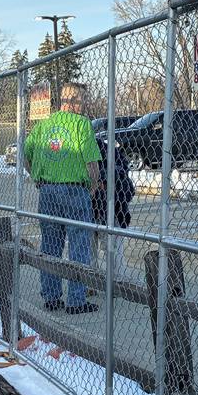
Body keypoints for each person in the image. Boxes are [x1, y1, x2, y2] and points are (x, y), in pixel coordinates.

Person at [22, 86, 102, 313]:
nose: (83, 104)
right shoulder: (81, 124)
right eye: (82, 100)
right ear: (74, 101)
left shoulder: (42, 125)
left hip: (48, 191)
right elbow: (91, 163)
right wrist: (93, 186)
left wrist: (36, 176)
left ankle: (51, 297)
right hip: (75, 190)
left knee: (50, 246)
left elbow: (25, 156)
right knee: (79, 247)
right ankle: (76, 301)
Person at [90, 131, 134, 281]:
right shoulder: (104, 149)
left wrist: (101, 181)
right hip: (99, 207)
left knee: (111, 247)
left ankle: (115, 281)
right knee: (93, 246)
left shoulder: (103, 150)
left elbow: (123, 179)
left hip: (112, 208)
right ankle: (95, 280)